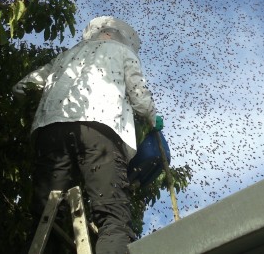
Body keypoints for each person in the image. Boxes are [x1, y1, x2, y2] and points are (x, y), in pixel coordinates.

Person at [13, 16, 159, 254]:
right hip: (100, 131)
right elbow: (140, 97)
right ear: (114, 35)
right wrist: (153, 119)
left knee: (46, 217)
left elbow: (23, 87)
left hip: (50, 131)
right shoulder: (123, 52)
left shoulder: (64, 57)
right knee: (112, 217)